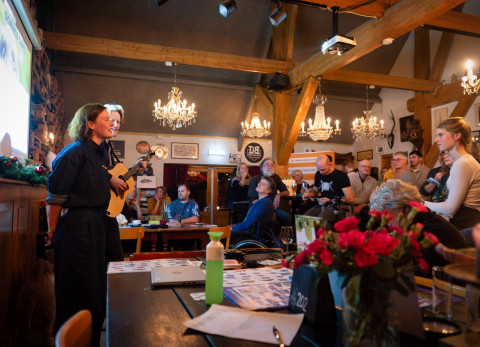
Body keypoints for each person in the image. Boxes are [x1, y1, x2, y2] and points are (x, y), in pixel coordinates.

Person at [45, 103, 113, 346]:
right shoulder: (73, 152)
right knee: (78, 294)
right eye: (106, 118)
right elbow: (55, 199)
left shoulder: (98, 154)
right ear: (91, 124)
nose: (112, 122)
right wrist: (51, 231)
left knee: (95, 294)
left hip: (95, 225)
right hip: (76, 229)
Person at [369, 179, 467, 274]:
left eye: (387, 216)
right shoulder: (422, 219)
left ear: (401, 208)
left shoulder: (429, 230)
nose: (386, 224)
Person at [424, 117, 480, 230]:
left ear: (457, 135)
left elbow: (450, 209)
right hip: (463, 221)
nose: (436, 140)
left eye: (440, 135)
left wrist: (420, 203)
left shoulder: (463, 163)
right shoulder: (460, 163)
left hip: (466, 224)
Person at [102, 103, 128, 263]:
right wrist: (111, 179)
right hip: (98, 213)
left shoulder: (108, 147)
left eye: (118, 122)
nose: (116, 125)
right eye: (112, 120)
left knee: (115, 261)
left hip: (108, 211)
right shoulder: (97, 146)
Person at [303, 155, 353, 224]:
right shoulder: (318, 174)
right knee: (304, 219)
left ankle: (324, 234)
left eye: (323, 169)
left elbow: (349, 198)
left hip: (337, 206)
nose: (321, 172)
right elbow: (315, 191)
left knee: (320, 221)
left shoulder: (341, 176)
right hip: (323, 205)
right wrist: (308, 194)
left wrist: (331, 200)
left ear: (330, 165)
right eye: (319, 169)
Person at [231, 176, 275, 244]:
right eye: (260, 182)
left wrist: (231, 229)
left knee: (222, 236)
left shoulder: (263, 203)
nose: (259, 184)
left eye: (263, 184)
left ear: (268, 190)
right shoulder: (264, 201)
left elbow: (247, 225)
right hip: (251, 234)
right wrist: (234, 226)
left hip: (251, 238)